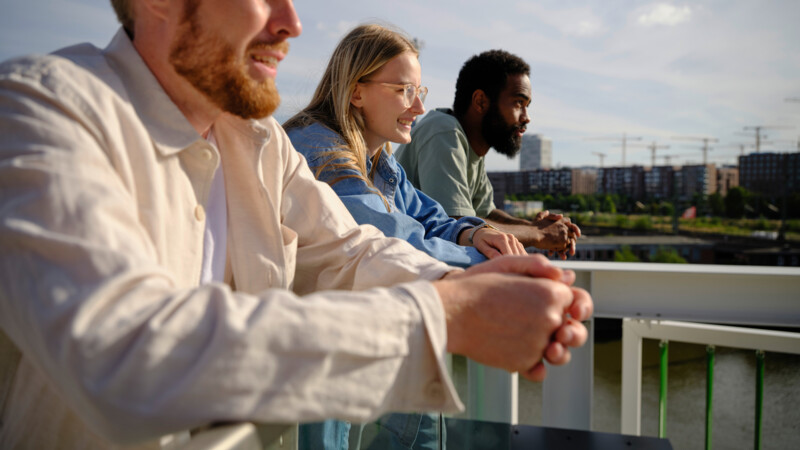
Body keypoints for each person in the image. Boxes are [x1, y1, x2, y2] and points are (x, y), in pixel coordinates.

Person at [0, 1, 592, 449]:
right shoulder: (41, 107)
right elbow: (119, 348)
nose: (292, 22)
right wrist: (448, 313)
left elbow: (348, 248)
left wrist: (461, 286)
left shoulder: (260, 141)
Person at [284, 24, 525, 449]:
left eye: (420, 92)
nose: (417, 107)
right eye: (402, 91)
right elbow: (394, 238)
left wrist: (473, 234)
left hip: (341, 327)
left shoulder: (379, 158)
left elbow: (427, 216)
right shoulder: (318, 151)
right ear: (356, 92)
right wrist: (491, 265)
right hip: (304, 338)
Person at [395, 50, 582, 258]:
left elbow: (485, 214)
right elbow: (458, 225)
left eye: (527, 106)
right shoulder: (443, 131)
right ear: (481, 101)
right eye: (518, 103)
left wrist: (536, 226)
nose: (526, 117)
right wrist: (540, 234)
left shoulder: (471, 145)